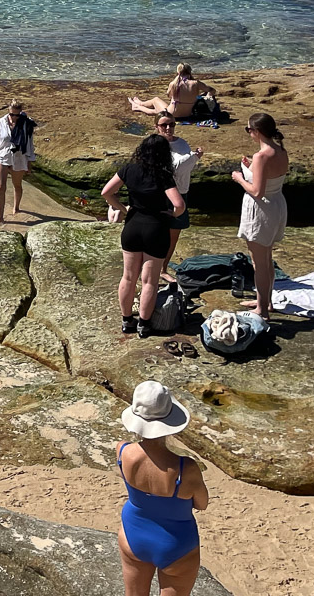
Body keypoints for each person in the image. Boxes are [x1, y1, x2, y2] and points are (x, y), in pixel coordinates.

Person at [116, 380, 208, 596]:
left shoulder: (122, 451)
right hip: (176, 543)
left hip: (133, 533)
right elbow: (202, 504)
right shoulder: (186, 468)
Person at [102, 135, 187, 332]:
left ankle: (126, 320)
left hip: (132, 226)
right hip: (156, 228)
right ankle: (144, 324)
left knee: (128, 277)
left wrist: (123, 209)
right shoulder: (163, 174)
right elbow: (179, 205)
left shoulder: (128, 169)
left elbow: (106, 192)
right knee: (149, 280)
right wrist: (171, 215)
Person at [232, 112, 289, 317]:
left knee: (260, 262)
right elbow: (269, 177)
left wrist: (239, 177)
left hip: (261, 209)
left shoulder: (261, 156)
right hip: (277, 205)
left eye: (249, 130)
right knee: (266, 257)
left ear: (256, 131)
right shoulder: (280, 150)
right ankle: (266, 301)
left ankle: (262, 309)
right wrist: (251, 169)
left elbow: (257, 191)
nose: (248, 133)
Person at [155, 113, 202, 270]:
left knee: (173, 235)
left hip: (181, 191)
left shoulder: (182, 143)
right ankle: (150, 268)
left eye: (172, 124)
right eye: (164, 125)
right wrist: (191, 159)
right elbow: (167, 169)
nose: (168, 128)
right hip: (162, 193)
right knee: (156, 234)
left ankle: (163, 268)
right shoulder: (155, 144)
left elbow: (185, 168)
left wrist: (194, 158)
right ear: (157, 127)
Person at [0, 101, 38, 224]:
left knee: (17, 185)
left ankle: (16, 207)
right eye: (11, 114)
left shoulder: (26, 124)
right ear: (8, 111)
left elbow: (29, 144)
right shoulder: (1, 122)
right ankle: (0, 218)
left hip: (19, 158)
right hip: (2, 156)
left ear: (21, 113)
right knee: (0, 187)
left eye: (17, 115)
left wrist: (30, 162)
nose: (14, 117)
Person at [130, 64, 217, 120]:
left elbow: (169, 95)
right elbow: (212, 90)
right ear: (190, 72)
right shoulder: (196, 83)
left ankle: (138, 106)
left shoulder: (174, 84)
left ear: (178, 72)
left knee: (155, 101)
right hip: (187, 114)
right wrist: (203, 96)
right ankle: (140, 103)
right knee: (158, 110)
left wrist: (176, 79)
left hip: (172, 114)